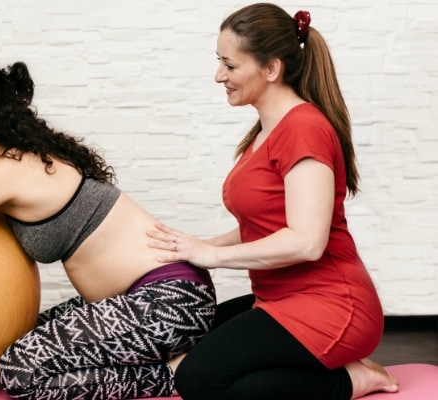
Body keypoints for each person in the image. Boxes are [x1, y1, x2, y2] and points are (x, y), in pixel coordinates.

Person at [0, 60, 216, 399]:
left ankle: (174, 373)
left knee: (19, 368)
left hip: (167, 305)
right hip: (159, 299)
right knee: (8, 337)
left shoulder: (6, 172)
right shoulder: (19, 163)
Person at [146, 3, 399, 400]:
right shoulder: (266, 129)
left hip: (332, 305)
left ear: (271, 69)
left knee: (198, 380)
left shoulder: (303, 130)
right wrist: (198, 246)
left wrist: (210, 257)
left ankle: (350, 381)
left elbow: (306, 241)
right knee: (188, 337)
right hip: (280, 296)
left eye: (230, 65)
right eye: (219, 62)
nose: (219, 76)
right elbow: (265, 221)